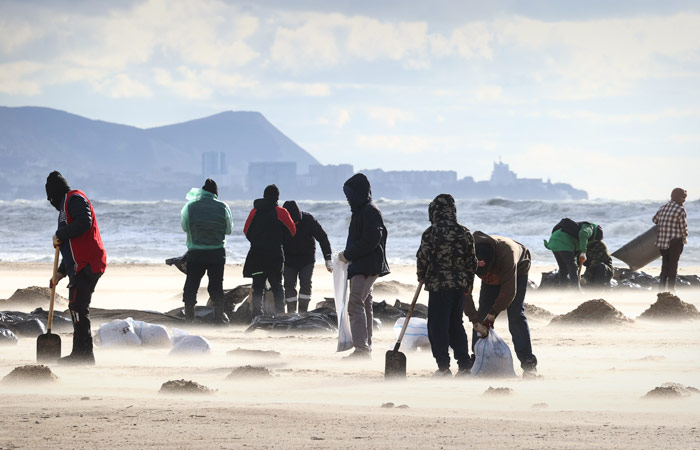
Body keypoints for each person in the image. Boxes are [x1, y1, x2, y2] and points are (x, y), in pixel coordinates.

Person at [45, 171, 107, 365]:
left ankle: (84, 355)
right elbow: (71, 248)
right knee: (76, 306)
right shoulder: (64, 207)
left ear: (54, 194)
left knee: (78, 306)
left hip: (88, 263)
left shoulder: (75, 199)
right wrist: (60, 273)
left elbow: (84, 223)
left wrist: (60, 233)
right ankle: (80, 352)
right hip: (78, 264)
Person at [416, 194, 477, 377]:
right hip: (459, 286)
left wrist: (421, 276)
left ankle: (443, 367)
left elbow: (423, 257)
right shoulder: (464, 231)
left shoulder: (431, 232)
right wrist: (469, 285)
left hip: (438, 286)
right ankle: (464, 364)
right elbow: (471, 262)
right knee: (455, 324)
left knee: (437, 325)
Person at [466, 231, 538, 376]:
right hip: (491, 272)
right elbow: (465, 292)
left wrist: (492, 314)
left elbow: (509, 291)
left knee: (516, 314)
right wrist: (474, 320)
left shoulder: (507, 254)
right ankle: (476, 359)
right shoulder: (467, 254)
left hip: (518, 269)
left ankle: (528, 364)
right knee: (481, 316)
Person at [338, 173, 389, 358]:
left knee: (355, 303)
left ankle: (361, 349)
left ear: (358, 193)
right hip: (362, 264)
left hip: (367, 266)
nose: (347, 199)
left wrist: (348, 255)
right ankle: (365, 346)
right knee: (364, 303)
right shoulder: (362, 210)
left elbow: (372, 240)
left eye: (349, 195)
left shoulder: (369, 211)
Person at [181, 179, 232, 323]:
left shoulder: (190, 206)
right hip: (217, 253)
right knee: (216, 286)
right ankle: (218, 320)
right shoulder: (223, 207)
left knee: (191, 285)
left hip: (196, 253)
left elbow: (185, 227)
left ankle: (189, 319)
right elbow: (228, 230)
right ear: (216, 194)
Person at [243, 184, 296, 317]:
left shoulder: (255, 211)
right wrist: (281, 241)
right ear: (277, 197)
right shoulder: (281, 212)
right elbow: (292, 231)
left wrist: (256, 241)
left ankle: (257, 315)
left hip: (257, 254)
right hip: (275, 255)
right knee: (277, 286)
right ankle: (280, 315)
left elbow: (246, 230)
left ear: (264, 195)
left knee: (258, 287)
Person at [281, 200, 333, 313]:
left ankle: (303, 312)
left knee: (305, 283)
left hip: (307, 259)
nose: (295, 224)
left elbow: (323, 237)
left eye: (297, 222)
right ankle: (291, 312)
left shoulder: (308, 219)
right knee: (289, 284)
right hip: (288, 259)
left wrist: (328, 258)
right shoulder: (280, 222)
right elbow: (273, 242)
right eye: (292, 222)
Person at [543, 218, 599, 288]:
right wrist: (583, 252)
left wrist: (577, 258)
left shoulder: (576, 228)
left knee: (563, 268)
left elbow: (573, 253)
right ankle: (576, 290)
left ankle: (562, 289)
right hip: (563, 242)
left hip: (554, 242)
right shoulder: (589, 227)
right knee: (572, 267)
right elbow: (583, 233)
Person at [653, 188, 688, 292]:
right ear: (678, 197)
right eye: (683, 197)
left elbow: (655, 220)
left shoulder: (663, 207)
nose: (684, 200)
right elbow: (683, 228)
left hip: (662, 243)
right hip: (674, 242)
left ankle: (661, 289)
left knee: (665, 266)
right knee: (673, 266)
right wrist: (684, 239)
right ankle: (671, 290)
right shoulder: (680, 209)